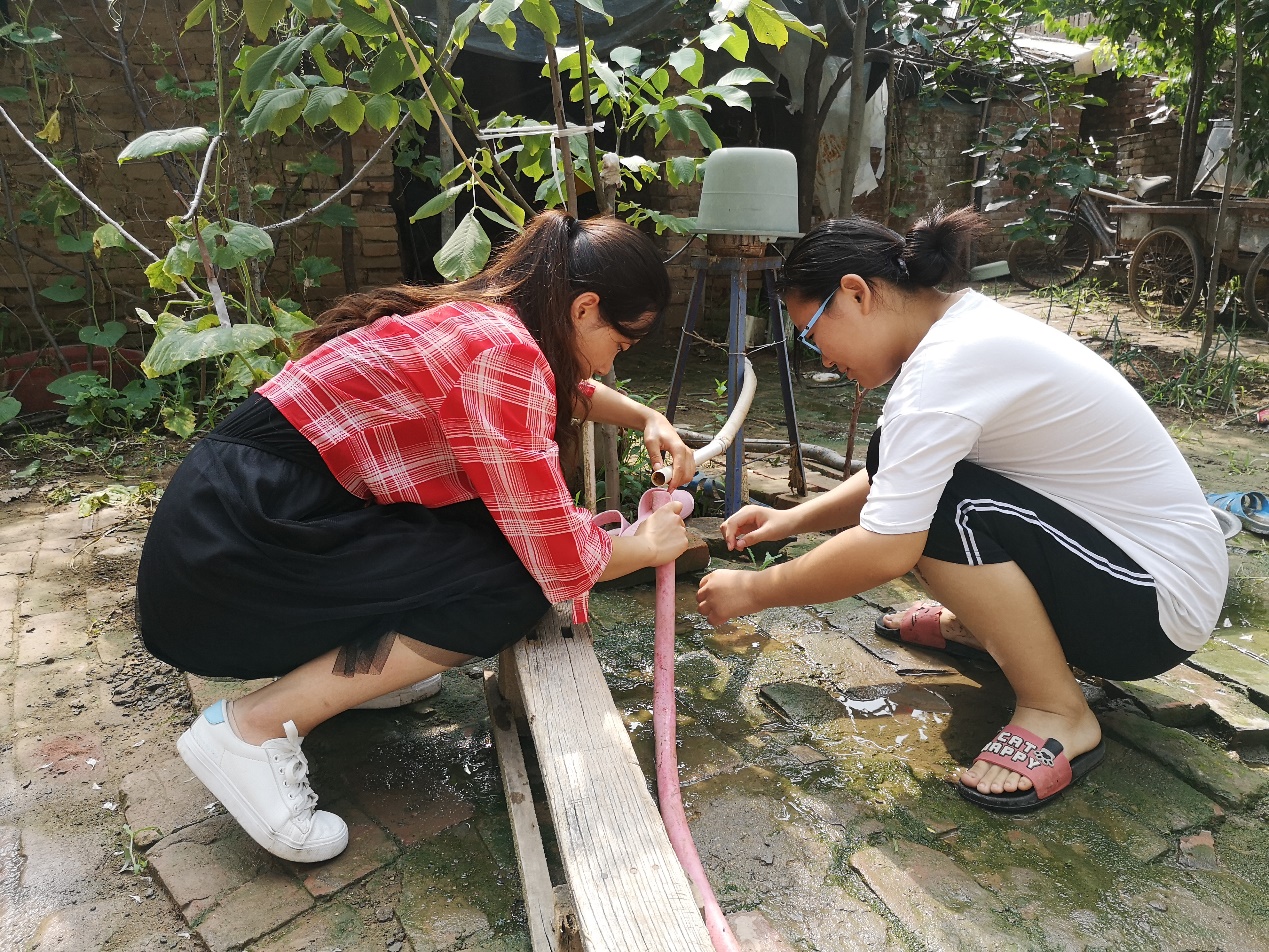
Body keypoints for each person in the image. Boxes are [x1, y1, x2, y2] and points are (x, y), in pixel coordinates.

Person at [136, 211, 695, 861]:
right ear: (585, 308)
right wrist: (647, 543)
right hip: (230, 555)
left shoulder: (489, 324)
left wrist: (646, 416)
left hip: (225, 523)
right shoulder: (506, 355)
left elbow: (570, 391)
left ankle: (353, 670)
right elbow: (560, 558)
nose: (615, 361)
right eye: (621, 344)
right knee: (509, 584)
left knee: (478, 532)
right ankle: (251, 731)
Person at [695, 206, 1227, 812]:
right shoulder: (959, 334)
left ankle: (1058, 709)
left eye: (811, 333)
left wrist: (756, 589)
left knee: (946, 510)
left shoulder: (941, 374)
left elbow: (887, 547)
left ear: (856, 294)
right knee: (903, 465)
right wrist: (793, 519)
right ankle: (989, 626)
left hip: (1151, 609)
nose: (819, 357)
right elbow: (895, 473)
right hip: (1133, 572)